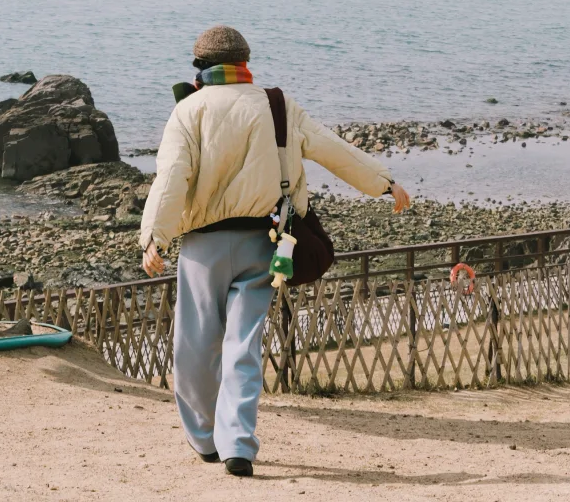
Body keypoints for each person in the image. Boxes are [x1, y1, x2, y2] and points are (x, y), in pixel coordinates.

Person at [140, 25, 411, 478]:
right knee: (243, 345)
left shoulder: (189, 110)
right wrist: (383, 182)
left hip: (204, 247)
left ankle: (204, 439)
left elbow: (171, 177)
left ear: (200, 68)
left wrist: (154, 238)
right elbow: (333, 149)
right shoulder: (277, 104)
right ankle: (238, 446)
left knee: (194, 345)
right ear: (245, 63)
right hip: (265, 242)